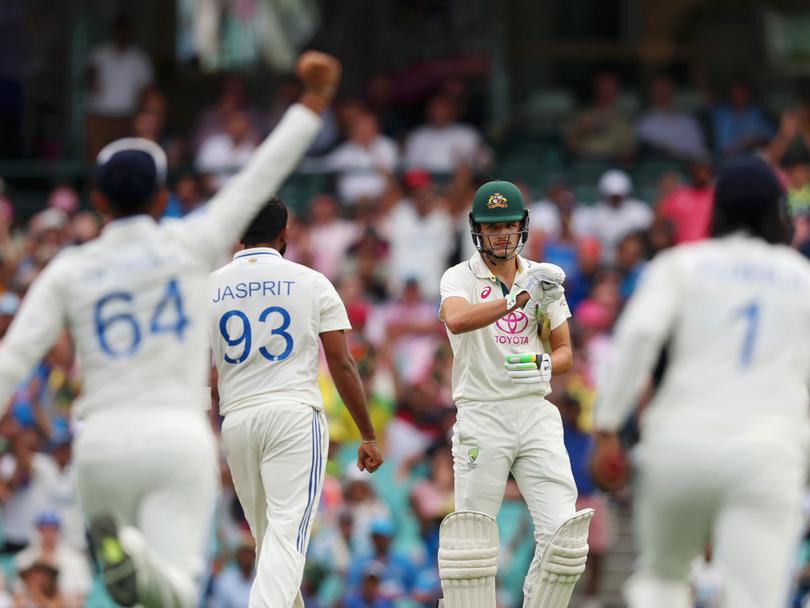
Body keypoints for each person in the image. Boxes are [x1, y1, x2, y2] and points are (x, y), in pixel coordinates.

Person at [0, 51, 341, 608]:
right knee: (176, 592)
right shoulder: (192, 243)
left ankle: (123, 551)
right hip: (174, 439)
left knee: (124, 595)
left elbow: (11, 361)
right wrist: (313, 102)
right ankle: (132, 554)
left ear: (98, 200)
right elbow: (261, 174)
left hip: (100, 444)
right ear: (162, 198)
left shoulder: (70, 269)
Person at [591, 156, 810, 608]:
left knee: (661, 578)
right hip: (769, 450)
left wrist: (608, 425)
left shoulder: (682, 264)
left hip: (680, 440)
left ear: (718, 212)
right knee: (757, 599)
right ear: (778, 214)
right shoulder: (802, 278)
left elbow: (639, 337)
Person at [208, 196, 382, 607]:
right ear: (285, 233)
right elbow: (341, 363)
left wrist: (202, 425)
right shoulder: (312, 281)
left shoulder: (210, 286)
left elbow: (197, 370)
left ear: (238, 235)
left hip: (237, 422)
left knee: (271, 542)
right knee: (286, 539)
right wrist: (368, 433)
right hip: (293, 416)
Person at [437, 180, 592, 608]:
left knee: (565, 538)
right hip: (482, 414)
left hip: (535, 412)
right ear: (477, 230)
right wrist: (516, 300)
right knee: (472, 544)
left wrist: (543, 363)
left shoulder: (542, 277)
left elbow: (564, 352)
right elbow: (457, 321)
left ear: (522, 226)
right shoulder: (459, 277)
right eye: (492, 227)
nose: (501, 234)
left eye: (508, 225)